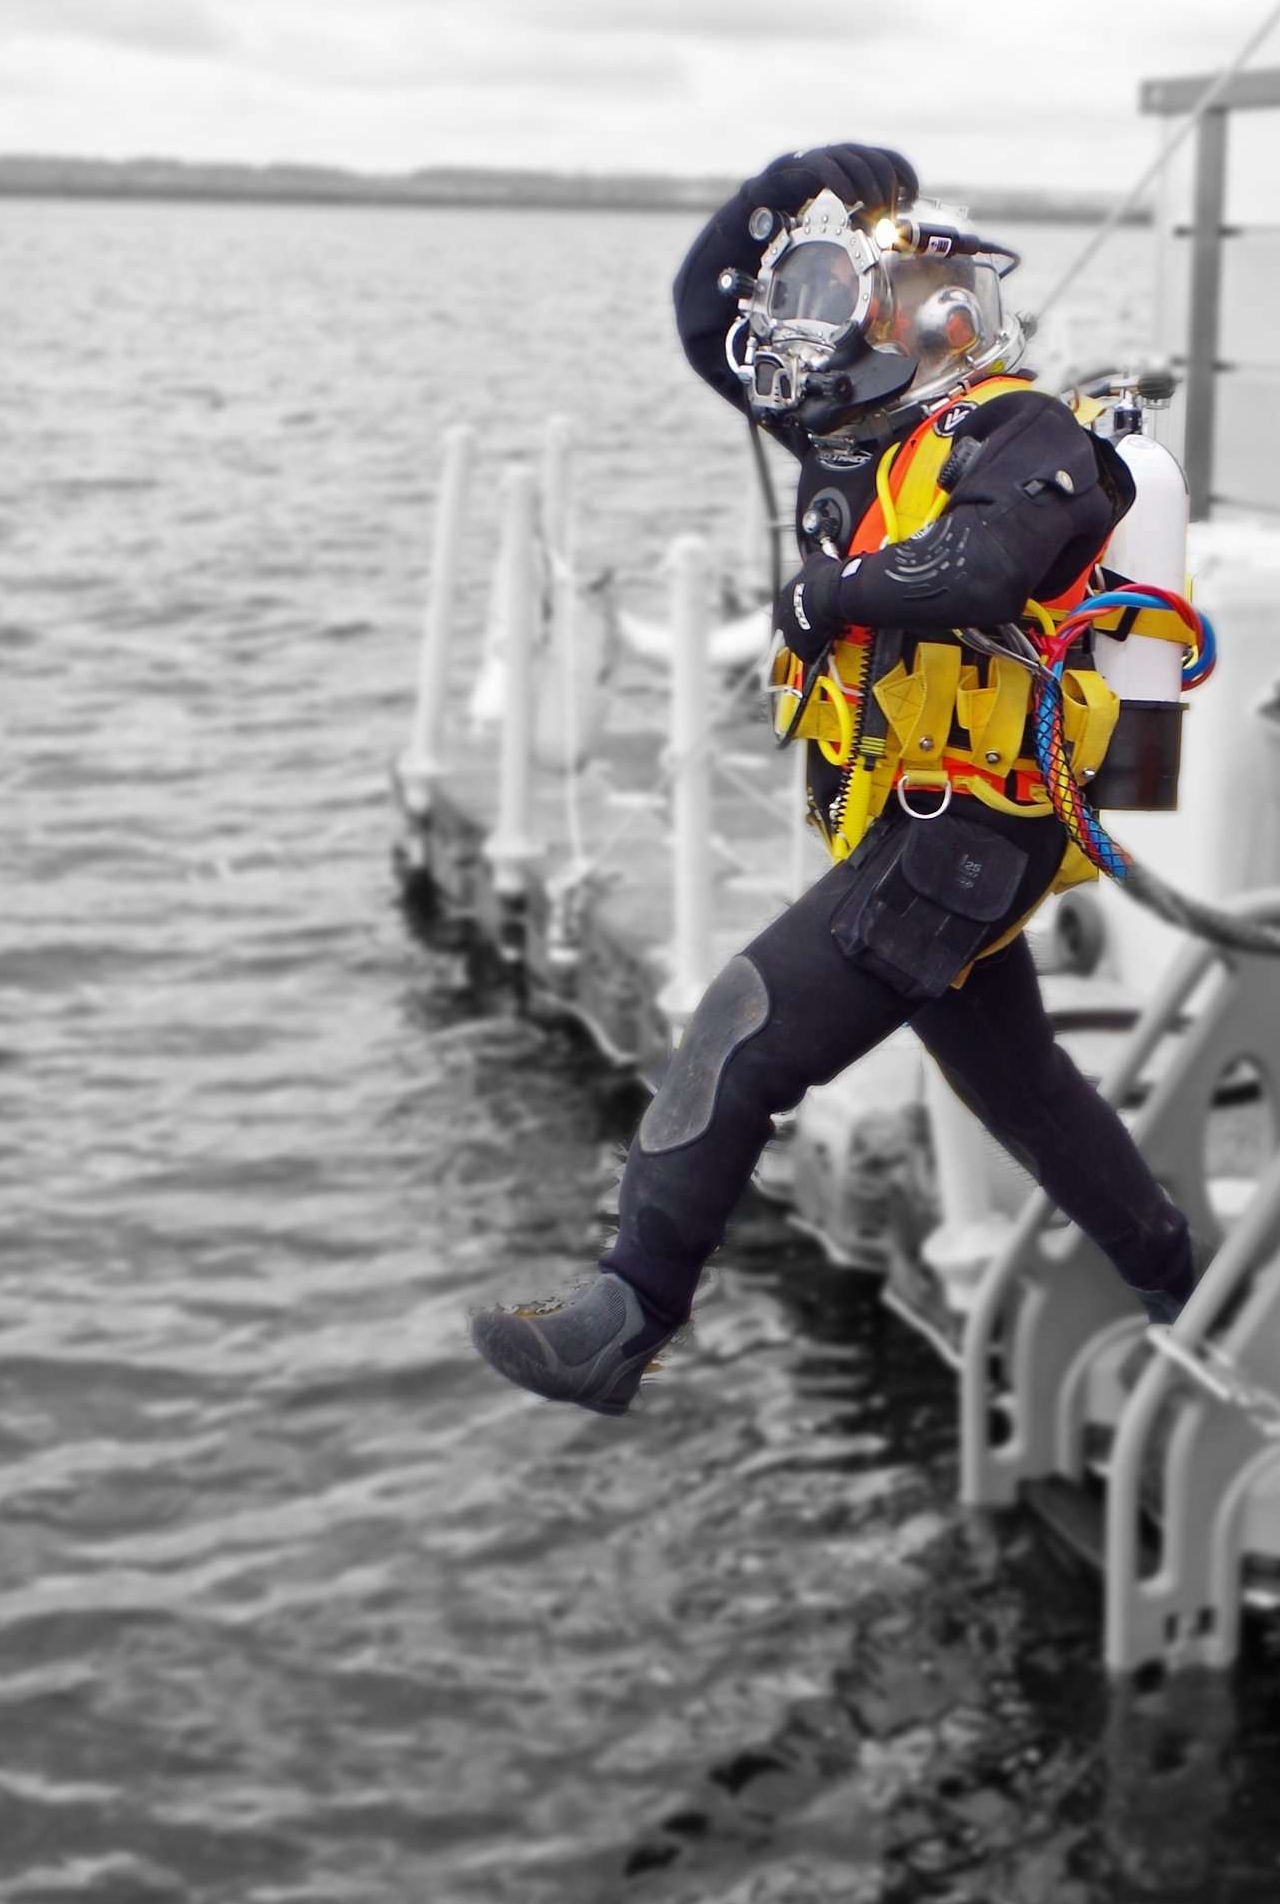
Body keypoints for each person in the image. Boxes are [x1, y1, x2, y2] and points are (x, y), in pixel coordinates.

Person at [469, 142, 1198, 1414]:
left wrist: (823, 592)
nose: (803, 330)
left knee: (736, 1037)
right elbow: (707, 313)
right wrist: (786, 179)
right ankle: (1180, 1278)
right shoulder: (843, 430)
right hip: (916, 825)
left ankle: (622, 1317)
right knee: (1014, 1079)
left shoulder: (1016, 427)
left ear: (930, 312)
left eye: (833, 295)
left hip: (972, 822)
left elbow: (980, 567)